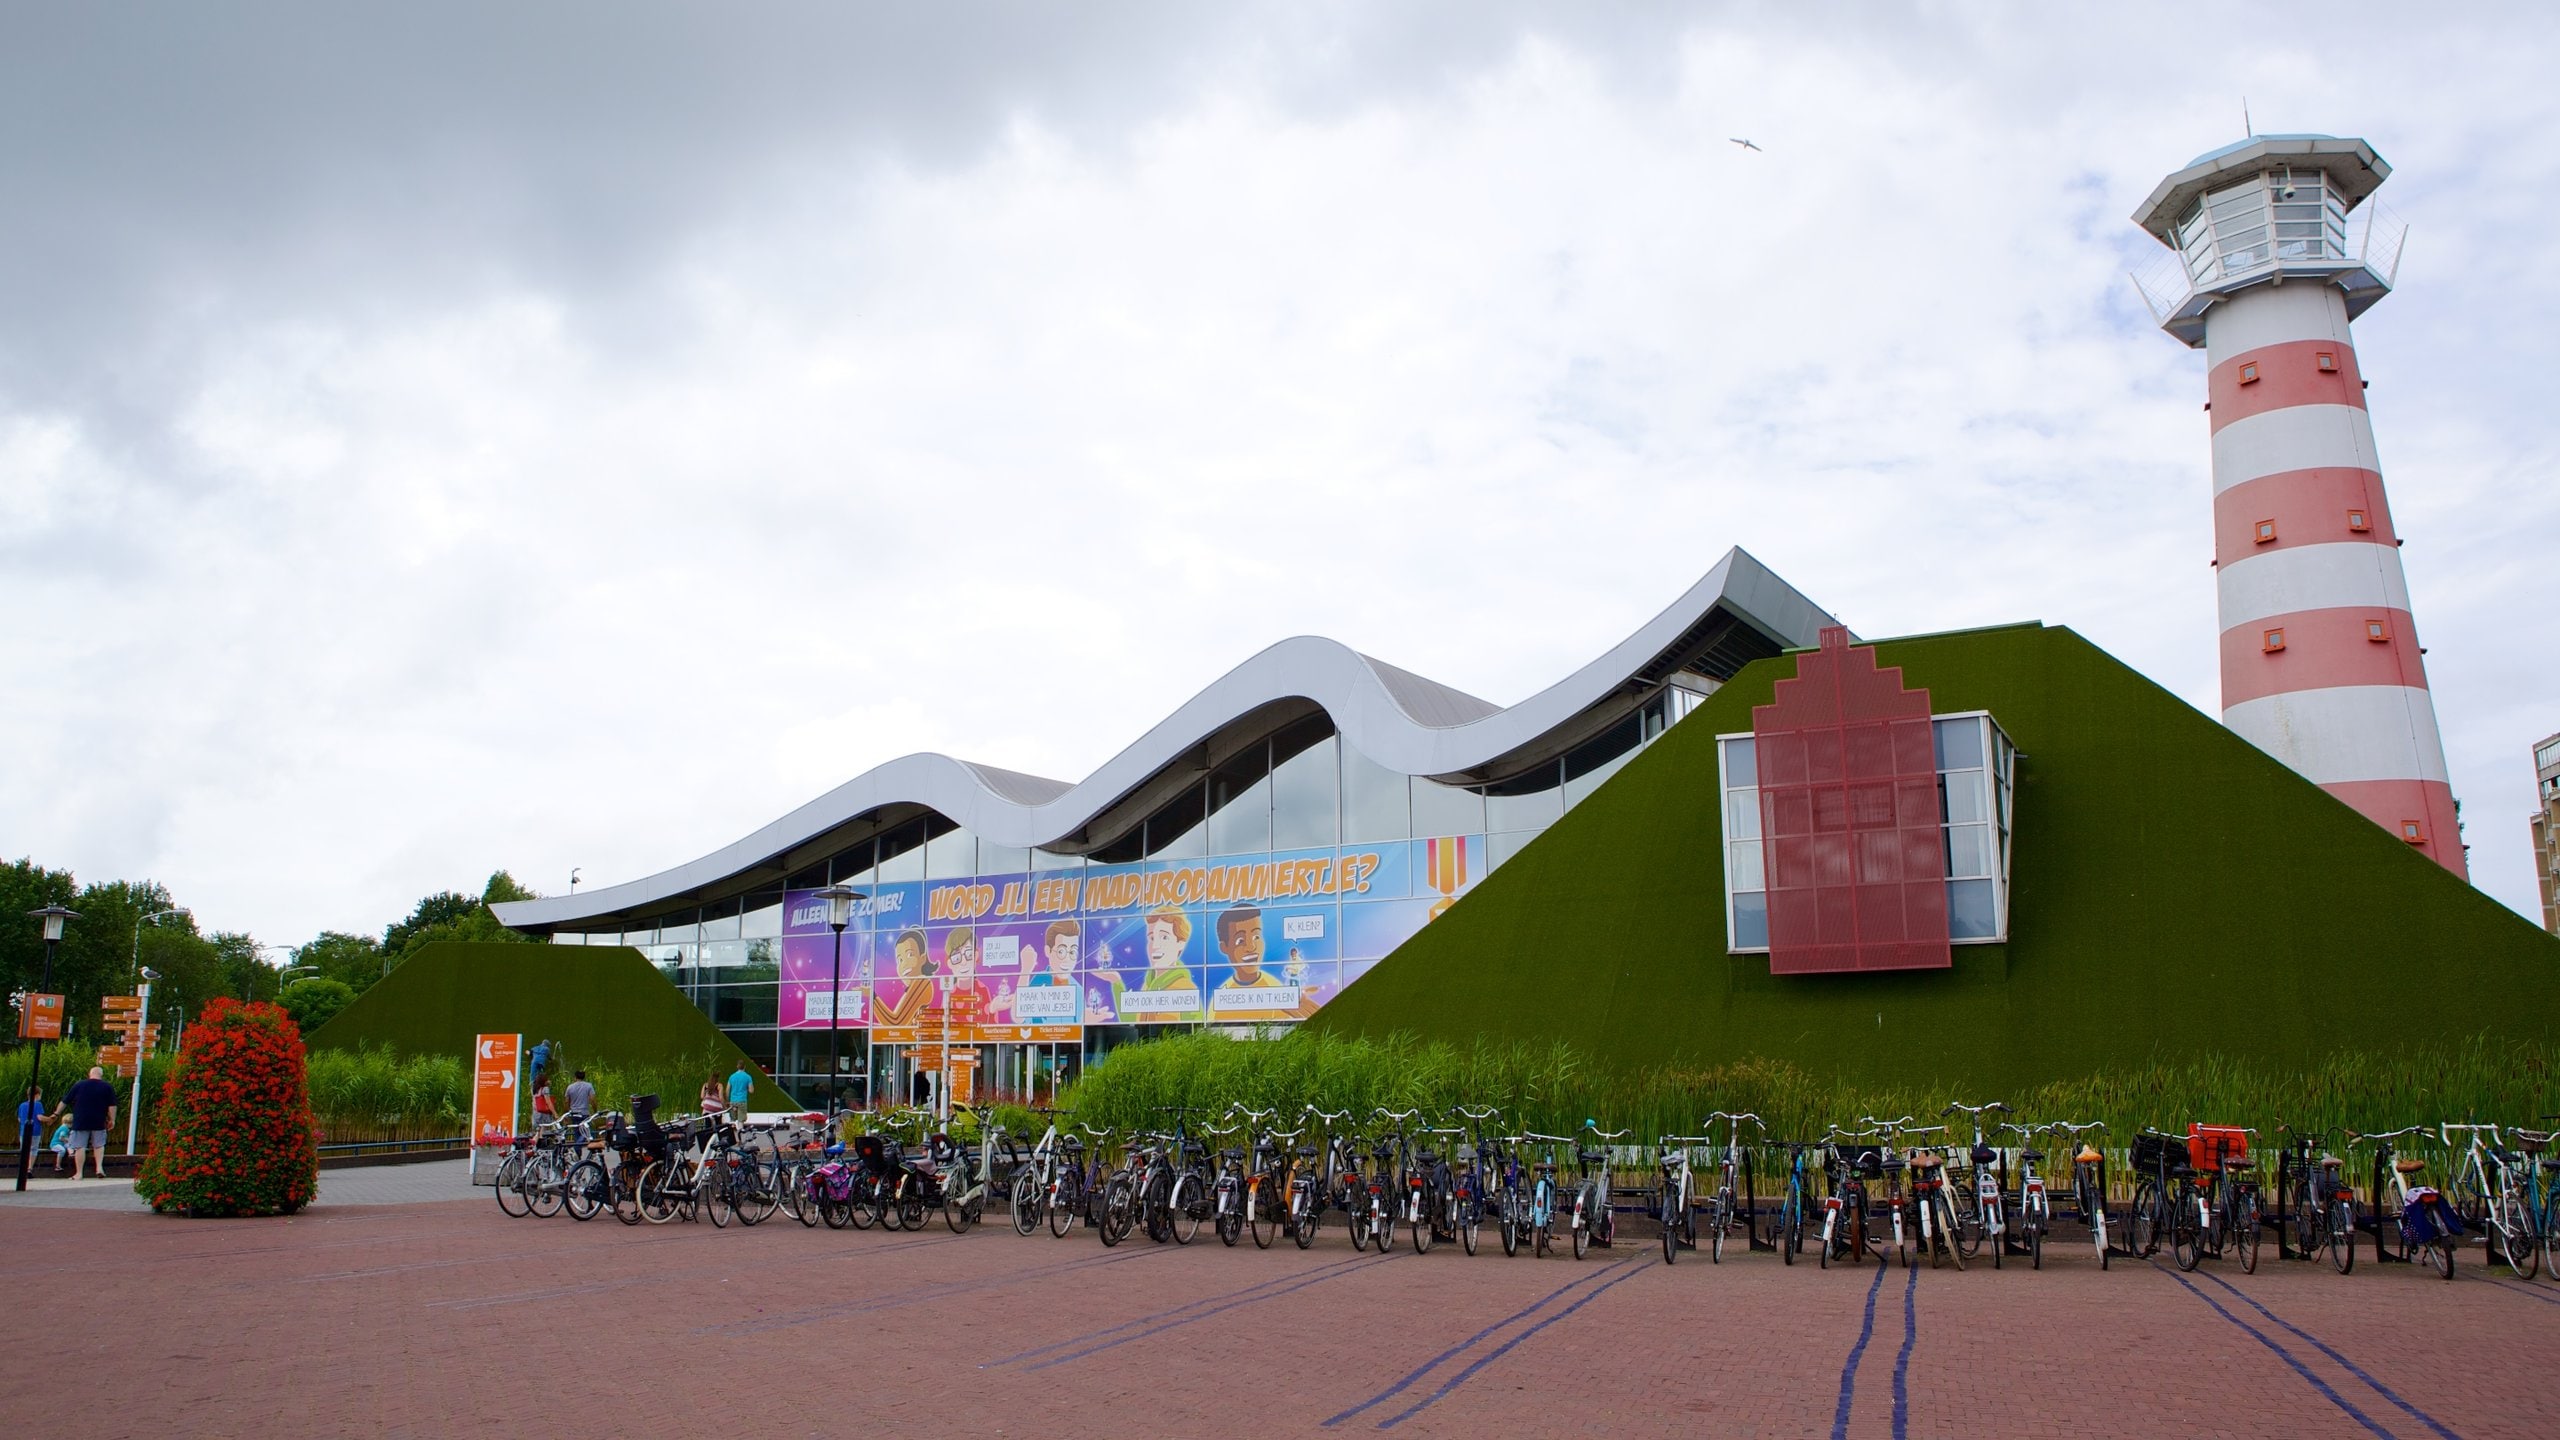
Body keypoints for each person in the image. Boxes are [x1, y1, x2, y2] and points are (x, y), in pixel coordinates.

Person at [62, 1066, 119, 1180]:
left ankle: (79, 1173)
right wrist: (112, 1119)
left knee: (80, 1147)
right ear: (101, 1075)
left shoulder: (79, 1085)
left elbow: (65, 1100)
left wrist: (56, 1113)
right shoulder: (107, 1086)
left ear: (90, 1074)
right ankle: (99, 1168)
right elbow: (112, 1105)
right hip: (99, 1120)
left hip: (80, 1120)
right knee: (99, 1145)